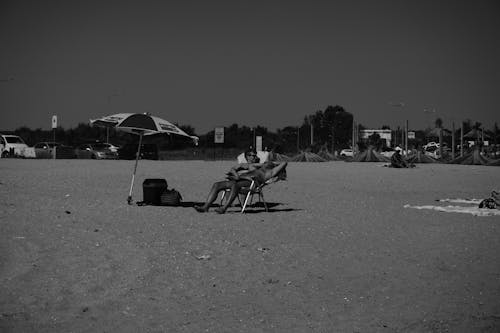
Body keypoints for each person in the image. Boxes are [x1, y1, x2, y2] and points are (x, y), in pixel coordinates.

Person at [194, 160, 288, 214]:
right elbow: (252, 165)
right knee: (217, 185)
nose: (265, 162)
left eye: (267, 162)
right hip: (239, 180)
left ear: (272, 166)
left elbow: (284, 162)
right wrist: (262, 164)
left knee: (235, 185)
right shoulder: (256, 168)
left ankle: (224, 208)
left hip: (251, 184)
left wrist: (275, 164)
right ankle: (205, 207)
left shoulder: (270, 172)